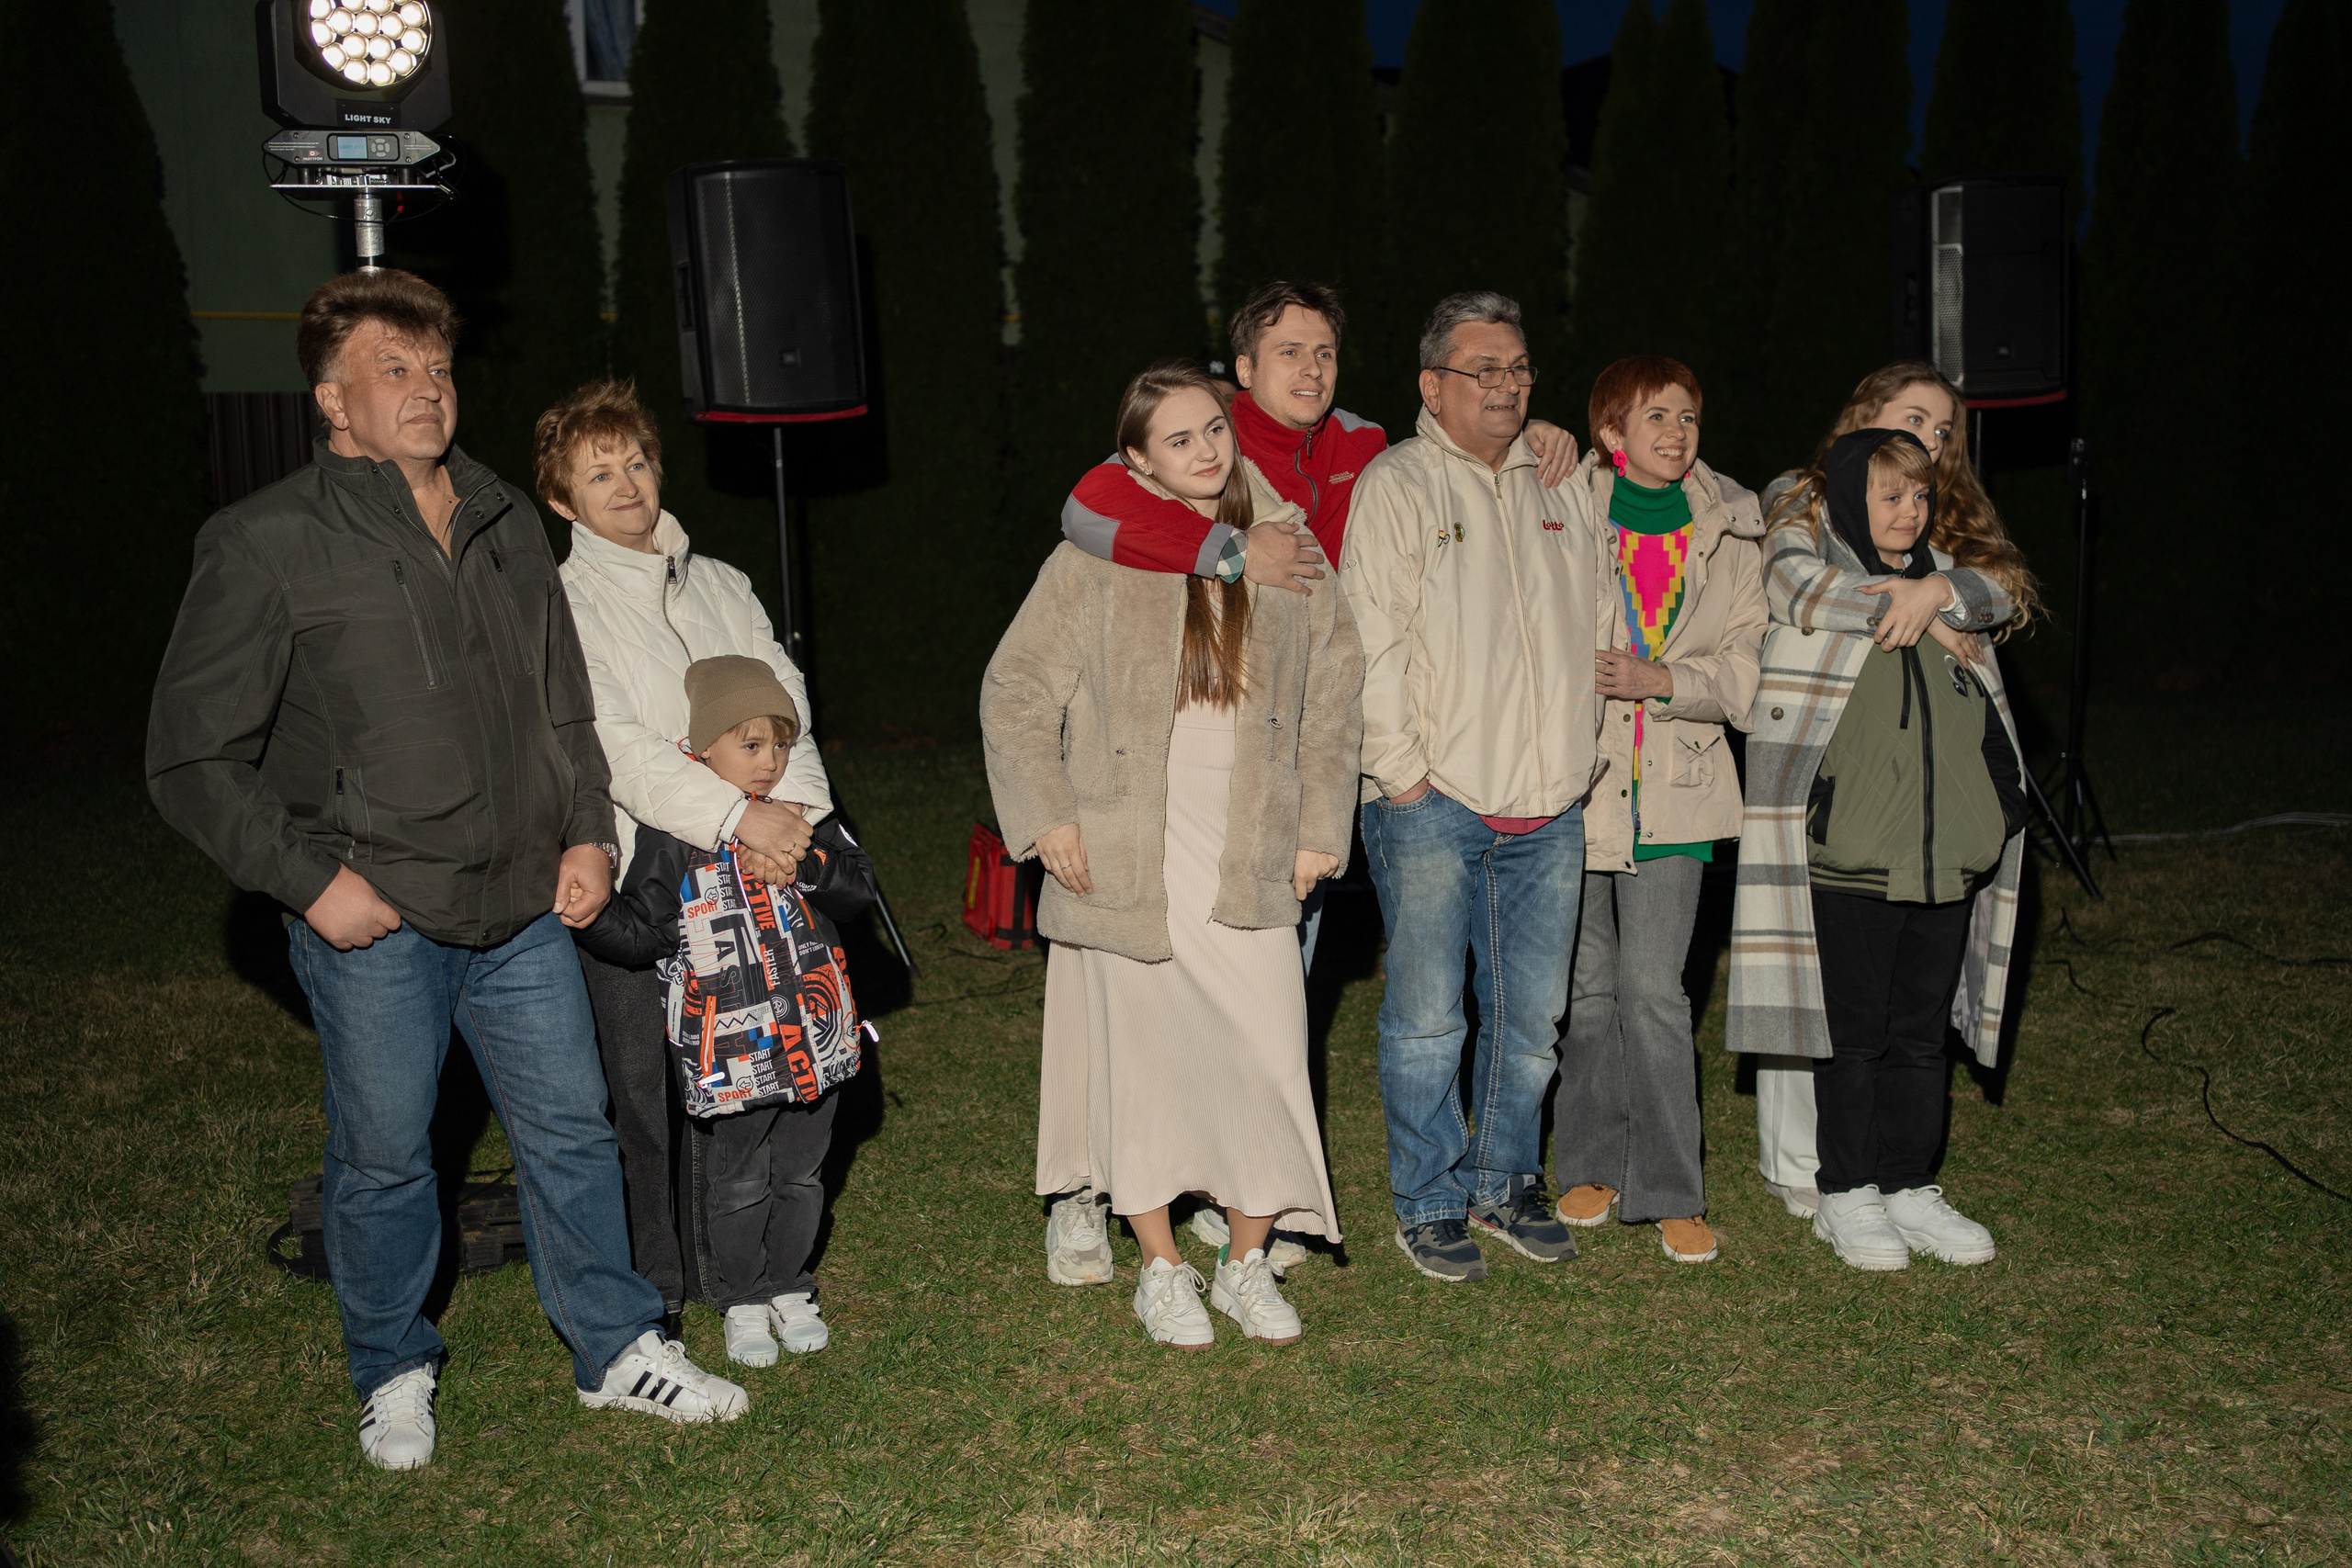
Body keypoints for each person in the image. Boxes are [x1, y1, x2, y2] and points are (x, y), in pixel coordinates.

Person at [146, 270, 745, 1473]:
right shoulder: (266, 541)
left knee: (571, 1130)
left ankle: (616, 1344)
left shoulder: (501, 516)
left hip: (521, 901)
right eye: (392, 371)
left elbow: (561, 701)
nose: (425, 390)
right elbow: (190, 758)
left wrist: (586, 831)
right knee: (384, 1154)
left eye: (436, 367)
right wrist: (311, 882)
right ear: (332, 400)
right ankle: (391, 1365)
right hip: (379, 911)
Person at [981, 362, 1364, 1347]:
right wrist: (1048, 815)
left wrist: (1321, 829)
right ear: (1138, 459)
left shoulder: (1291, 552)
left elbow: (1334, 702)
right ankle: (1159, 1267)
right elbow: (1015, 690)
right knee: (1142, 1066)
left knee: (1272, 1054)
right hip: (1128, 848)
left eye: (1214, 430)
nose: (1205, 451)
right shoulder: (1095, 560)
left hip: (1248, 845)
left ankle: (1244, 1263)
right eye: (1178, 439)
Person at [537, 379, 833, 1331]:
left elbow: (787, 699)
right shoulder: (562, 603)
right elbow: (612, 745)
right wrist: (737, 818)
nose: (626, 484)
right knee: (643, 1091)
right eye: (598, 473)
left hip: (766, 868)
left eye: (636, 462)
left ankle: (738, 1274)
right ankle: (655, 1291)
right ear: (562, 499)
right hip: (647, 875)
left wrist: (795, 817)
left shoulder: (722, 584)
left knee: (754, 1070)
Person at [1340, 291, 1606, 1283]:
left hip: (1550, 805)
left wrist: (1578, 758)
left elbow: (1598, 619)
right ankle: (1428, 1201)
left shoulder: (1563, 481)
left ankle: (1504, 1183)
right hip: (1431, 801)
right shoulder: (1398, 484)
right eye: (1482, 369)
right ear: (1432, 384)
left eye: (1518, 368)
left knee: (1531, 1023)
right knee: (1426, 1021)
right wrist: (1401, 777)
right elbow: (1370, 639)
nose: (1506, 385)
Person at [1727, 428, 2032, 1270]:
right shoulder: (1820, 591)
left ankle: (1908, 1184)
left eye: (1921, 495)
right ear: (1850, 500)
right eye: (1889, 495)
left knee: (1921, 1038)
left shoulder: (1949, 588)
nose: (1910, 511)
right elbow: (1794, 579)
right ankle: (1846, 1190)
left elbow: (2002, 593)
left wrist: (1935, 595)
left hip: (1945, 860)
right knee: (1853, 1039)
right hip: (1849, 861)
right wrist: (1917, 605)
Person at [574, 658, 877, 1368]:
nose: (770, 761)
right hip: (734, 1049)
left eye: (781, 744)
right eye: (751, 744)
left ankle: (790, 1282)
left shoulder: (802, 819)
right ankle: (741, 1296)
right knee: (737, 1175)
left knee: (801, 1172)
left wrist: (808, 863)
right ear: (705, 747)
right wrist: (593, 919)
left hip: (815, 1038)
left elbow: (859, 888)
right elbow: (647, 930)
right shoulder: (678, 833)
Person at [1551, 357, 1766, 1265]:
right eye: (1655, 417)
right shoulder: (1562, 510)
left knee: (1653, 994)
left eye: (1687, 415)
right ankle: (1589, 1163)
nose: (1676, 432)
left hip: (1680, 794)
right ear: (1611, 434)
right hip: (1575, 788)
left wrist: (1664, 679)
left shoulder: (1735, 528)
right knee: (1587, 994)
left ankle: (1674, 1189)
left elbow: (1750, 672)